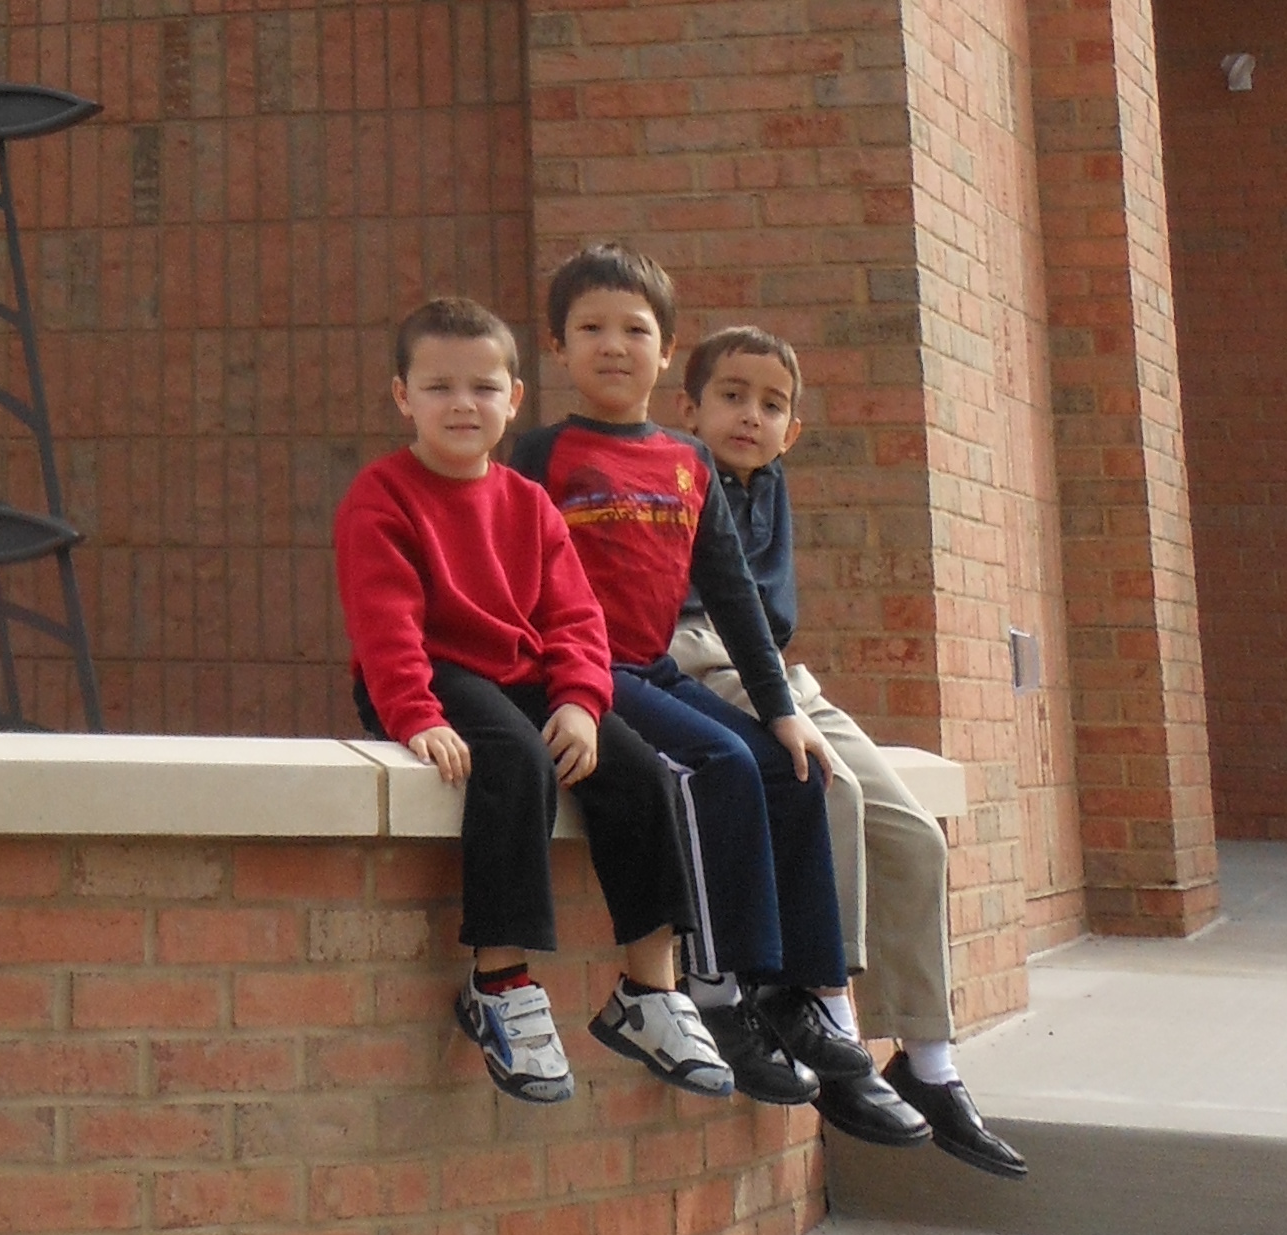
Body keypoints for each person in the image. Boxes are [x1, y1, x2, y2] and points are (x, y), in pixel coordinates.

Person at [507, 242, 927, 1147]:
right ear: (558, 345)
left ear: (666, 354)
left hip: (652, 667)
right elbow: (505, 574)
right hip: (582, 673)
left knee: (786, 763)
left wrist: (781, 708)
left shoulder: (687, 463)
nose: (613, 346)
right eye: (591, 330)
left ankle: (809, 994)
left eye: (635, 330)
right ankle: (714, 989)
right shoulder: (540, 453)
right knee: (717, 763)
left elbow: (735, 599)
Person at [333, 296, 733, 1105]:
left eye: (482, 387)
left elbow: (575, 619)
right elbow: (385, 628)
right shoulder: (381, 497)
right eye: (439, 387)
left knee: (638, 772)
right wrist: (417, 716)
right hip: (433, 673)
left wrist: (583, 702)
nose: (461, 404)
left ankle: (648, 994)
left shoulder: (527, 502)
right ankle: (500, 986)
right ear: (402, 396)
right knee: (514, 763)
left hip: (523, 676)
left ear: (514, 399)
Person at [672, 323, 1028, 1177]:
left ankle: (930, 1062)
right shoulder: (675, 475)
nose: (750, 416)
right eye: (730, 396)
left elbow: (774, 619)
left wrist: (781, 687)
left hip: (777, 668)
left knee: (915, 836)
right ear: (688, 409)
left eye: (771, 404)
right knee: (827, 785)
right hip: (694, 648)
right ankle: (822, 1006)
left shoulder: (771, 486)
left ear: (792, 430)